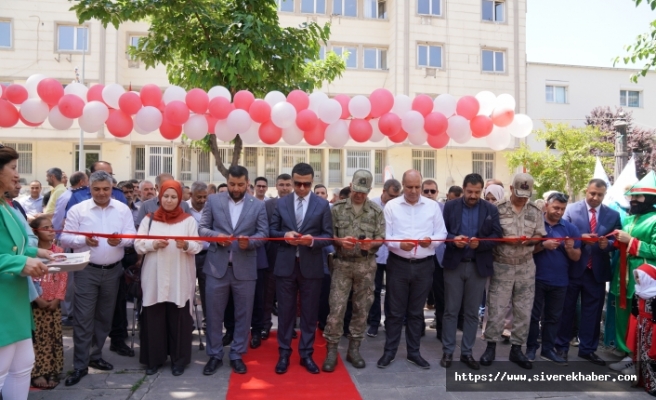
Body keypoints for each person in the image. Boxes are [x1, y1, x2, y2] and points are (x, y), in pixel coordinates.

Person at [60, 171, 137, 386]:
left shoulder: (122, 209)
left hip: (113, 271)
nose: (102, 193)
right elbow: (64, 236)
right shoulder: (78, 209)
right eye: (97, 189)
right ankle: (79, 365)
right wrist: (83, 239)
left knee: (104, 317)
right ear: (89, 189)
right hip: (86, 270)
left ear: (111, 188)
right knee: (83, 318)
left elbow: (131, 236)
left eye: (106, 189)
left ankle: (95, 356)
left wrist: (120, 241)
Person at [199, 166, 268, 375]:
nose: (235, 188)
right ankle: (215, 354)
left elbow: (263, 233)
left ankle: (237, 354)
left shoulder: (257, 205)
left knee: (243, 315)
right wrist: (216, 236)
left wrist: (252, 243)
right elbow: (202, 228)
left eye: (240, 184)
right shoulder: (213, 201)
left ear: (247, 183)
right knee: (213, 314)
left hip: (245, 269)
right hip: (216, 267)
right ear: (226, 182)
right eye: (231, 184)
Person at [377, 169, 447, 370]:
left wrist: (430, 241)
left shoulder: (432, 206)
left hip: (424, 265)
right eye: (409, 187)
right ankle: (389, 351)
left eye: (417, 187)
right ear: (402, 186)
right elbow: (385, 235)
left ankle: (414, 352)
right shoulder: (392, 206)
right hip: (398, 264)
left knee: (416, 312)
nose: (414, 191)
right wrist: (399, 244)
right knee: (395, 312)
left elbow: (442, 233)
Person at [270, 163, 333, 375]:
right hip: (286, 265)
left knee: (309, 313)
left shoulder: (322, 205)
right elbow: (271, 230)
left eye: (306, 184)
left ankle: (306, 353)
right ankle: (284, 353)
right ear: (292, 180)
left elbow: (328, 236)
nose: (302, 187)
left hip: (312, 266)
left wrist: (312, 241)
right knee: (286, 313)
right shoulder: (282, 203)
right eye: (298, 183)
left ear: (312, 182)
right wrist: (284, 236)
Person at [135, 180, 201, 376]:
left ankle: (178, 360)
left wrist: (186, 246)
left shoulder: (188, 220)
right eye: (166, 196)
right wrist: (152, 245)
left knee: (178, 317)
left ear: (180, 198)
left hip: (179, 275)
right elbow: (138, 245)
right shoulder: (149, 219)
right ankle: (153, 360)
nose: (169, 200)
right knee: (154, 316)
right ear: (159, 197)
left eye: (173, 197)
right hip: (154, 275)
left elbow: (198, 246)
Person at [552, 179, 620, 367]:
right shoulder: (571, 211)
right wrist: (580, 239)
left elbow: (616, 240)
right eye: (592, 193)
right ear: (586, 191)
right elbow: (562, 235)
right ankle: (561, 347)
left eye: (599, 195)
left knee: (593, 312)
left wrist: (609, 245)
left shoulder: (612, 215)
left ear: (604, 195)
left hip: (596, 271)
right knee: (567, 309)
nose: (595, 197)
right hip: (573, 268)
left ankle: (588, 350)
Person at [481, 173, 546, 370]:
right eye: (519, 194)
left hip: (526, 266)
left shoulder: (535, 210)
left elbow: (540, 235)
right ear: (510, 189)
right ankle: (490, 346)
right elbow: (488, 236)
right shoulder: (497, 209)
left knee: (523, 311)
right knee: (496, 308)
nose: (522, 198)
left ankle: (517, 348)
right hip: (502, 264)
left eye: (526, 194)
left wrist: (531, 240)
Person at [322, 170, 385, 372]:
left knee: (361, 310)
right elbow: (328, 235)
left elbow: (381, 237)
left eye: (364, 192)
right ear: (351, 186)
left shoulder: (375, 211)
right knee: (336, 309)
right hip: (342, 264)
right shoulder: (337, 209)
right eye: (357, 190)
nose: (359, 195)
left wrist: (371, 244)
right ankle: (331, 350)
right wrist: (338, 241)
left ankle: (354, 349)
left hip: (366, 266)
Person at [0, 144, 49, 399]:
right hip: (3, 301)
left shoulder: (6, 205)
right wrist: (20, 263)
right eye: (13, 168)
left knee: (22, 366)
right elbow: (9, 256)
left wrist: (39, 253)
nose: (17, 175)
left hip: (15, 297)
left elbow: (14, 246)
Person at [440, 173, 502, 370]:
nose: (473, 195)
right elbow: (441, 232)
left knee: (472, 313)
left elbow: (497, 236)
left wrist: (481, 244)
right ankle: (448, 351)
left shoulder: (491, 209)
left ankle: (467, 352)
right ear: (463, 189)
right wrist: (453, 238)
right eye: (469, 192)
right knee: (451, 310)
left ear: (482, 190)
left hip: (478, 265)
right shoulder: (450, 206)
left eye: (477, 192)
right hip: (454, 264)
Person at [526, 192, 581, 365]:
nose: (559, 212)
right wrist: (543, 245)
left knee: (553, 317)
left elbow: (576, 257)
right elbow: (525, 250)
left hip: (560, 280)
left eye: (562, 209)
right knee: (533, 316)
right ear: (546, 206)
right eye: (556, 207)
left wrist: (570, 248)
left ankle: (548, 349)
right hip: (536, 277)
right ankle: (530, 348)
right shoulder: (535, 225)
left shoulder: (570, 228)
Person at [610, 172, 656, 374]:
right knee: (622, 311)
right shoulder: (629, 219)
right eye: (632, 196)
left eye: (638, 197)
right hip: (622, 275)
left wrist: (631, 241)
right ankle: (625, 351)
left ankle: (637, 357)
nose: (633, 200)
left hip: (643, 279)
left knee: (639, 315)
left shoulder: (655, 219)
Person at [29, 216, 68, 389]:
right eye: (46, 227)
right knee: (37, 338)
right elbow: (27, 279)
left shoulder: (58, 250)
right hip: (36, 303)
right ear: (35, 231)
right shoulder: (30, 253)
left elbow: (63, 276)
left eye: (52, 226)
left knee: (53, 336)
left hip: (53, 303)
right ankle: (37, 372)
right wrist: (36, 298)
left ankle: (53, 370)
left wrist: (58, 298)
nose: (51, 230)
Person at [367, 179, 401, 338]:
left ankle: (390, 323)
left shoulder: (399, 206)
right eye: (391, 195)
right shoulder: (372, 205)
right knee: (374, 291)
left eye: (396, 196)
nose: (393, 199)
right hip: (376, 254)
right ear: (384, 191)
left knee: (393, 292)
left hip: (394, 255)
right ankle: (374, 323)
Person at [262, 174, 294, 340]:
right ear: (276, 186)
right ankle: (265, 326)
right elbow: (264, 229)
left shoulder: (298, 205)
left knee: (288, 297)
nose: (285, 188)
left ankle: (288, 328)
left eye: (288, 184)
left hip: (291, 257)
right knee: (268, 295)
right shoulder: (268, 205)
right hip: (271, 256)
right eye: (281, 185)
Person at [421, 179, 447, 336]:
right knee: (419, 295)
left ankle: (441, 329)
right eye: (426, 191)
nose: (429, 194)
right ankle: (418, 328)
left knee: (441, 295)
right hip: (421, 257)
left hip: (439, 258)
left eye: (432, 191)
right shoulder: (416, 209)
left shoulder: (444, 208)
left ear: (437, 193)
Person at [631, 263, 656, 394]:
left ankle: (653, 384)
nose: (638, 280)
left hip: (652, 329)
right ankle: (643, 380)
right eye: (637, 277)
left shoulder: (654, 294)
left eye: (640, 277)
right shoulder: (639, 291)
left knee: (651, 357)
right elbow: (634, 311)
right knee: (641, 355)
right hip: (641, 328)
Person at [187, 181, 210, 323]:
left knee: (207, 291)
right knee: (187, 290)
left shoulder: (210, 208)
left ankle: (208, 320)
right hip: (188, 255)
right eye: (198, 197)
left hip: (207, 256)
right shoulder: (183, 208)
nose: (202, 200)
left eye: (204, 197)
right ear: (191, 195)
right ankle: (187, 321)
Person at [52, 172, 87, 239]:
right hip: (67, 236)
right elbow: (62, 218)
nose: (88, 184)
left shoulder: (65, 194)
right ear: (82, 182)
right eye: (87, 181)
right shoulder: (74, 197)